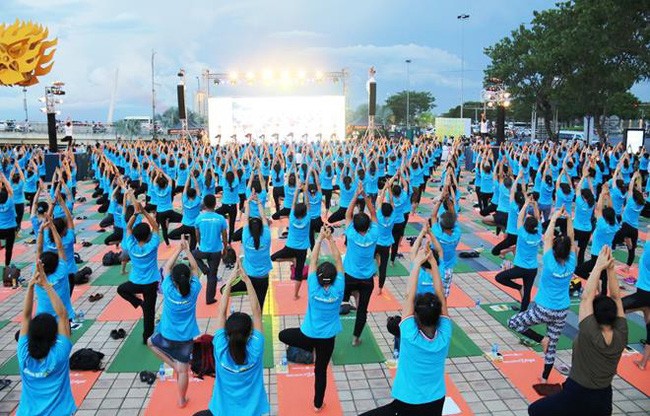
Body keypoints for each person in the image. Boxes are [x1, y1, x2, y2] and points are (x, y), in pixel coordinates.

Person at [528, 246, 627, 416]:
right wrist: (610, 269)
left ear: (594, 316)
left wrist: (598, 266)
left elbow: (587, 297)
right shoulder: (622, 331)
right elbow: (617, 297)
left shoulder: (590, 331)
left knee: (535, 410)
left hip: (577, 393)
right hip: (603, 398)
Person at [360, 244, 451, 416]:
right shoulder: (445, 333)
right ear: (439, 315)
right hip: (437, 399)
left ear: (416, 315)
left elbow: (410, 295)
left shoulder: (409, 334)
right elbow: (441, 293)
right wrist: (433, 264)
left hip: (409, 402)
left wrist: (417, 263)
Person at [278, 226, 345, 411]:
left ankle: (311, 349)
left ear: (317, 277)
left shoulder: (313, 287)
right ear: (333, 279)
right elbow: (339, 260)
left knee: (282, 335)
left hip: (309, 334)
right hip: (327, 338)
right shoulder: (339, 288)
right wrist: (330, 240)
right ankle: (318, 405)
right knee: (320, 371)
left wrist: (320, 239)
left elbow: (313, 260)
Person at [508, 207, 576, 383]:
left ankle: (540, 339)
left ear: (554, 250)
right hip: (562, 310)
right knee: (552, 346)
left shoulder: (549, 261)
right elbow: (572, 238)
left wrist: (554, 218)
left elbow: (546, 238)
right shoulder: (572, 262)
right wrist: (568, 219)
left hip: (543, 309)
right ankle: (545, 378)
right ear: (569, 251)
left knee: (513, 322)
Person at [194, 258, 269, 416]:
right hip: (252, 412)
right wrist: (247, 280)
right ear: (250, 333)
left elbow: (221, 312)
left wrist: (229, 281)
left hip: (222, 411)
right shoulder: (256, 348)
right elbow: (257, 310)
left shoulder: (220, 347)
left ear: (227, 333)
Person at [16, 261, 76, 416]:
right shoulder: (59, 354)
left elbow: (26, 316)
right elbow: (63, 315)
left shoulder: (24, 354)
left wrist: (30, 286)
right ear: (53, 336)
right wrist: (46, 284)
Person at [148, 237, 201, 409]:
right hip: (186, 337)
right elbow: (195, 268)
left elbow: (167, 267)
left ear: (174, 281)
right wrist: (187, 250)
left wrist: (179, 249)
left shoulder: (168, 289)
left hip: (168, 334)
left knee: (150, 342)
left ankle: (173, 365)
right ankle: (181, 400)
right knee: (184, 370)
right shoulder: (194, 289)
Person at [117, 197, 160, 344]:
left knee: (121, 289)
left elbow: (128, 228)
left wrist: (135, 214)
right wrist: (144, 212)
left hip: (135, 282)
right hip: (150, 284)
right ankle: (147, 338)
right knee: (149, 312)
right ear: (148, 236)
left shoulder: (131, 246)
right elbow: (155, 227)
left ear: (134, 237)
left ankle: (137, 302)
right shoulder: (152, 245)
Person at [341, 184, 379, 346]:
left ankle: (344, 302)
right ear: (368, 225)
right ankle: (356, 338)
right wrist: (365, 195)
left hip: (349, 276)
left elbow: (348, 213)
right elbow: (373, 213)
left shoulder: (351, 233)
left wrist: (356, 195)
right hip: (366, 278)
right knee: (362, 310)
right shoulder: (375, 233)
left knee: (341, 298)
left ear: (355, 226)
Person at [494, 196, 541, 311]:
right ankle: (522, 313)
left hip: (520, 268)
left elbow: (520, 218)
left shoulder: (522, 233)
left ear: (525, 226)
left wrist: (526, 204)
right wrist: (534, 206)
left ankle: (518, 287)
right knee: (528, 292)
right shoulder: (538, 234)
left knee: (499, 277)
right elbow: (538, 219)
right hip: (532, 269)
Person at [230, 195, 272, 309]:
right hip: (263, 278)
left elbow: (245, 218)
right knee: (260, 305)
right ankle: (257, 322)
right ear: (262, 228)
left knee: (225, 289)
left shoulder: (246, 237)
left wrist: (248, 203)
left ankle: (245, 290)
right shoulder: (267, 237)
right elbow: (264, 218)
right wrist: (259, 203)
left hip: (249, 277)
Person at [271, 180, 310, 300]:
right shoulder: (307, 219)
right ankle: (295, 295)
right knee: (298, 273)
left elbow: (293, 203)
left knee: (272, 258)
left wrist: (298, 190)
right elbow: (307, 204)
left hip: (290, 246)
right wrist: (304, 191)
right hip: (302, 249)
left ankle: (290, 259)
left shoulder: (292, 217)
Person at [193, 194, 228, 305]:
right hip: (216, 251)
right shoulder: (220, 218)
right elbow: (224, 235)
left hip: (203, 249)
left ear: (204, 204)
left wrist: (200, 244)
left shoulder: (199, 218)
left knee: (192, 254)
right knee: (213, 275)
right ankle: (209, 299)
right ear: (215, 204)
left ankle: (204, 269)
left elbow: (197, 235)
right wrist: (225, 247)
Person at [622, 235, 650, 369]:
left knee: (615, 307)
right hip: (646, 296)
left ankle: (615, 342)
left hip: (644, 294)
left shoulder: (649, 247)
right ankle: (643, 363)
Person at [0, 172, 17, 269]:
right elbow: (10, 190)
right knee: (9, 249)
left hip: (0, 229)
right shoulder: (10, 202)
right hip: (10, 229)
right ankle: (7, 265)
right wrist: (4, 179)